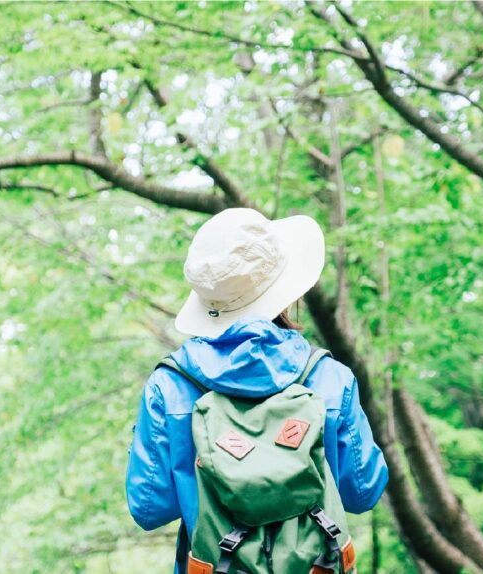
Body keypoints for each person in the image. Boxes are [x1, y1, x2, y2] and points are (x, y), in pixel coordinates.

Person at [125, 208, 388, 573]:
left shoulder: (169, 387)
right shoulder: (329, 377)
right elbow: (364, 493)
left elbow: (150, 509)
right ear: (283, 291)